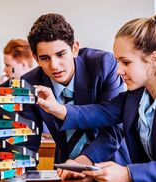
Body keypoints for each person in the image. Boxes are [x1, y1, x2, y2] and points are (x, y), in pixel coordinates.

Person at [35, 13, 156, 182]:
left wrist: (128, 174)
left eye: (126, 62)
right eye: (117, 62)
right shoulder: (136, 95)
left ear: (153, 59)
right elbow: (100, 112)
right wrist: (56, 108)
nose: (118, 71)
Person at [20, 13, 128, 164]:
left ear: (75, 49)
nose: (54, 65)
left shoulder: (103, 65)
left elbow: (114, 128)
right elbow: (27, 142)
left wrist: (81, 163)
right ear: (35, 58)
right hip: (65, 169)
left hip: (110, 165)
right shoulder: (29, 83)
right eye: (45, 58)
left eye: (60, 54)